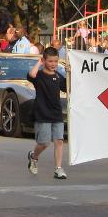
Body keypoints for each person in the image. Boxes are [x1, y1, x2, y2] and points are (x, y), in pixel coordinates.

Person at [27, 47, 69, 179]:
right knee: (44, 143)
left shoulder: (58, 76)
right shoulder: (39, 76)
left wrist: (70, 73)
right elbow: (31, 75)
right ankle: (34, 156)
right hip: (42, 113)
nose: (53, 64)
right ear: (44, 61)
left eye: (56, 61)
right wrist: (39, 63)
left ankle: (58, 168)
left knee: (59, 141)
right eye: (50, 61)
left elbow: (68, 86)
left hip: (56, 113)